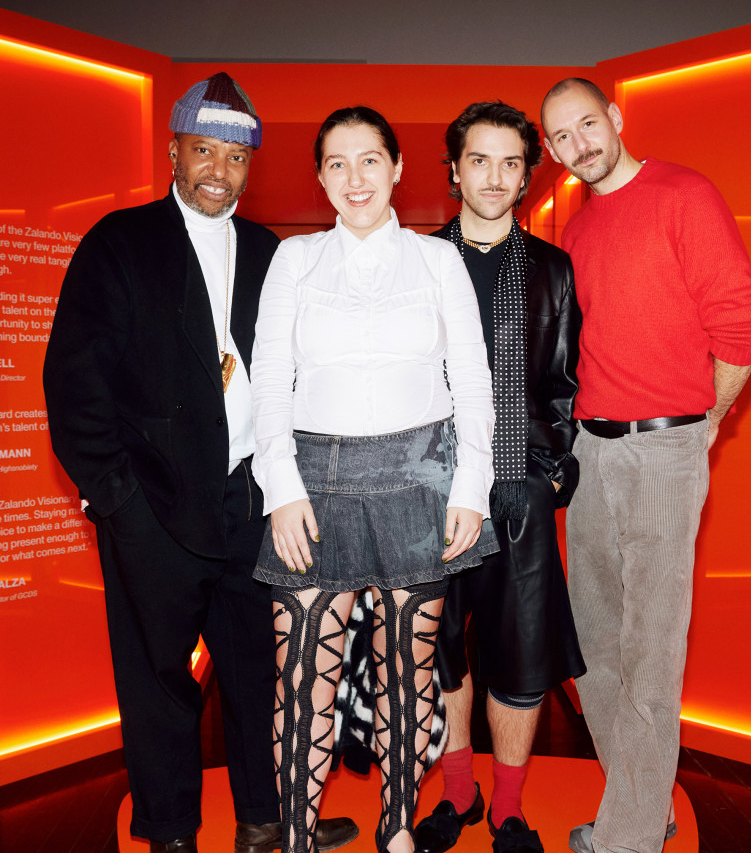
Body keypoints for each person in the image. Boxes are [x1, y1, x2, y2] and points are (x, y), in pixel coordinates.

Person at [43, 74, 357, 853]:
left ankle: (264, 823)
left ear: (252, 165)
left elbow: (298, 369)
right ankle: (171, 833)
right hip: (150, 507)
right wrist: (116, 498)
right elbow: (74, 382)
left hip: (249, 502)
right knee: (157, 681)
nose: (218, 170)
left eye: (235, 157)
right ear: (175, 151)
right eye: (203, 151)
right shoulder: (119, 242)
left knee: (259, 675)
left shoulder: (268, 251)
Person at [249, 105, 498, 853]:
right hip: (311, 483)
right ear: (320, 176)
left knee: (407, 671)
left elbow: (473, 382)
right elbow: (269, 379)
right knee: (303, 679)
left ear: (394, 167)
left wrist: (470, 489)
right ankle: (296, 836)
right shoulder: (294, 261)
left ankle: (396, 829)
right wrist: (280, 486)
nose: (353, 179)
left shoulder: (436, 261)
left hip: (419, 478)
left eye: (368, 161)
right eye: (336, 163)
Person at [540, 78, 751, 853]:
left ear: (613, 118)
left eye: (586, 124)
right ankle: (643, 802)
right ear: (551, 150)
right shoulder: (574, 231)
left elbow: (742, 328)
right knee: (594, 647)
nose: (578, 144)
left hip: (662, 450)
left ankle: (631, 836)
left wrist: (705, 423)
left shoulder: (683, 194)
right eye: (561, 137)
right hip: (589, 455)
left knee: (649, 651)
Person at [415, 101, 586, 853]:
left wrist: (546, 478)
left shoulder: (553, 269)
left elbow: (565, 384)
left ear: (526, 175)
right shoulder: (413, 263)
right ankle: (458, 795)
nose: (494, 176)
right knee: (439, 652)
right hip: (427, 493)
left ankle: (510, 809)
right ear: (453, 171)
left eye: (510, 162)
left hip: (519, 494)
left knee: (518, 658)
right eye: (478, 160)